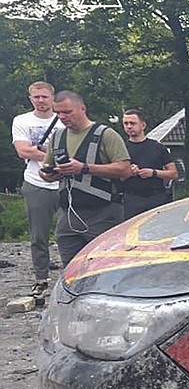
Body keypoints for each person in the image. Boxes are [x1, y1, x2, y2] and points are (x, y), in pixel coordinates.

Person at [40, 91, 132, 269]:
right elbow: (45, 170)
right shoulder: (57, 137)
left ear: (82, 108)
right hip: (67, 216)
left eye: (67, 112)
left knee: (106, 267)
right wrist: (48, 175)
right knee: (71, 270)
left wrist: (85, 168)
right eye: (58, 113)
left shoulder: (106, 134)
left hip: (103, 213)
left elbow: (125, 170)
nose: (62, 117)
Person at [11, 81, 62, 307]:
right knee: (38, 235)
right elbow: (22, 150)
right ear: (30, 98)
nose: (41, 100)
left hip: (65, 183)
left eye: (44, 96)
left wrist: (39, 152)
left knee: (71, 231)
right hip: (36, 182)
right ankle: (41, 278)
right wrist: (55, 155)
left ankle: (74, 274)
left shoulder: (63, 119)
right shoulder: (22, 121)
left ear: (52, 98)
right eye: (36, 97)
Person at [121, 108, 177, 219]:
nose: (129, 126)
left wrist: (153, 173)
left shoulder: (158, 147)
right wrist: (129, 172)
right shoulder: (121, 149)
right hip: (132, 199)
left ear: (143, 125)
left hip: (156, 198)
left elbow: (173, 173)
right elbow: (115, 176)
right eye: (126, 123)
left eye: (132, 123)